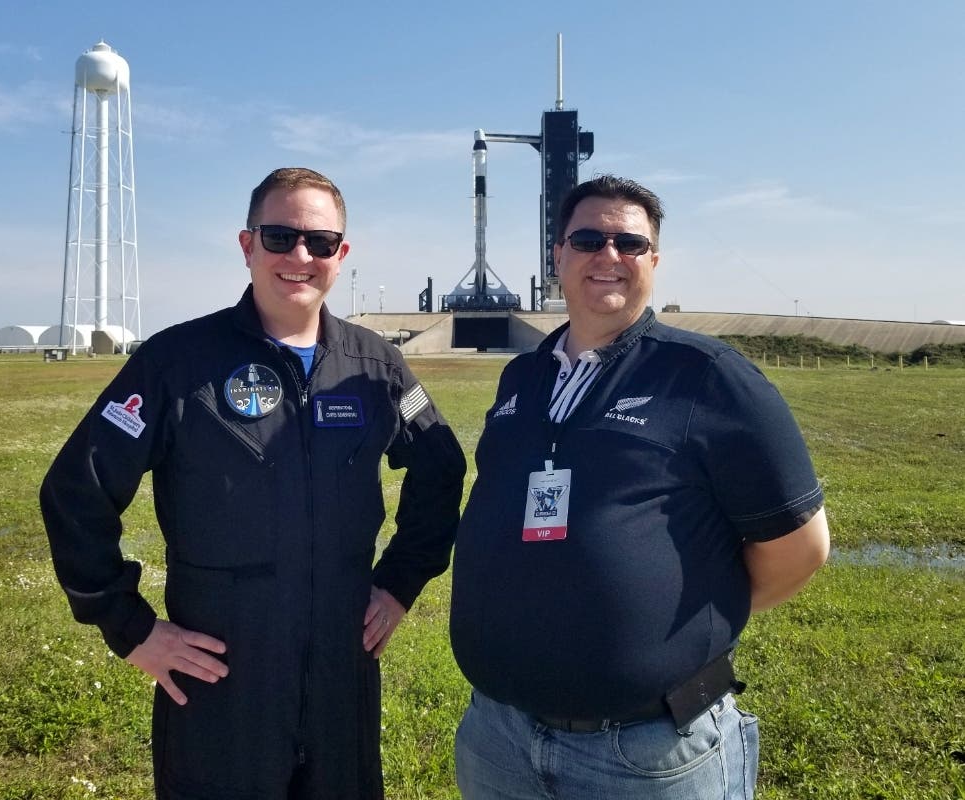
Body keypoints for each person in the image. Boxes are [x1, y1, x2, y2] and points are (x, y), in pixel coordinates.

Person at [40, 167, 466, 800]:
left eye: (320, 242)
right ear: (247, 245)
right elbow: (77, 490)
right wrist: (129, 627)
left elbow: (440, 469)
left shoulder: (377, 367)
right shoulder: (177, 362)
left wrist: (400, 584)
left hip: (340, 682)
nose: (300, 256)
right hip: (222, 684)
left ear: (340, 256)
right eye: (279, 236)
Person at [449, 174, 830, 799]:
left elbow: (801, 548)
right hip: (500, 736)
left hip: (649, 754)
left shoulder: (707, 377)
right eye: (589, 239)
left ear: (653, 259)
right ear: (558, 256)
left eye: (629, 243)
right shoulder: (522, 377)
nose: (609, 256)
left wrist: (677, 629)